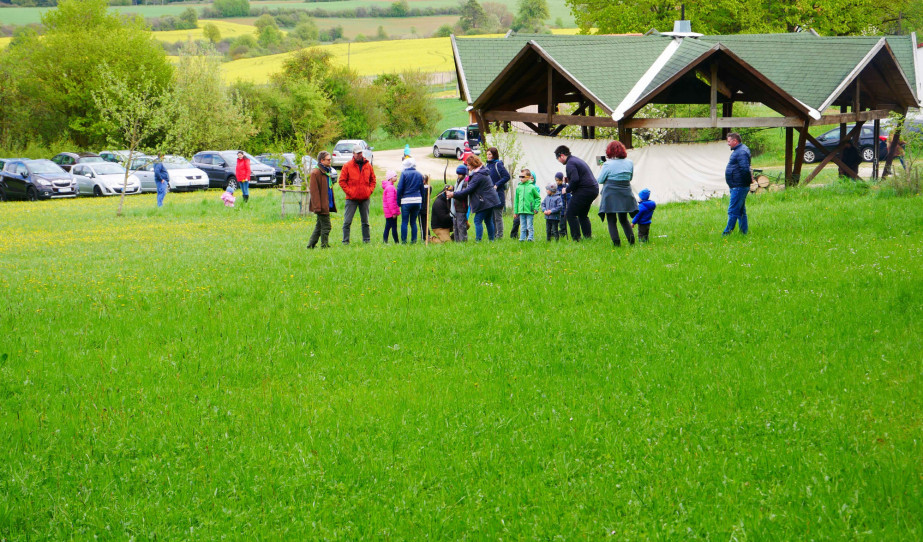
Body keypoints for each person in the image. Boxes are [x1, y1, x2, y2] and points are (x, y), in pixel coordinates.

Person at [447, 155, 501, 241]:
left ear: (473, 164)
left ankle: (478, 240)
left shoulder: (478, 175)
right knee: (488, 220)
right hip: (491, 200)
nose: (467, 167)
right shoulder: (482, 171)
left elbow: (468, 189)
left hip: (485, 201)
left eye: (468, 165)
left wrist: (453, 194)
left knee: (477, 220)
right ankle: (492, 240)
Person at [597, 141, 637, 247]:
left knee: (611, 220)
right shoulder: (629, 162)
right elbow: (630, 178)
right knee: (623, 219)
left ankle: (616, 244)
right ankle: (632, 241)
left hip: (611, 193)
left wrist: (601, 169)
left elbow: (600, 180)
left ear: (609, 151)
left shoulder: (607, 164)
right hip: (625, 192)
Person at [555, 145, 599, 241]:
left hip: (585, 190)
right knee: (582, 214)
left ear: (562, 155)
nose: (558, 160)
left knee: (570, 214)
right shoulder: (576, 160)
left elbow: (575, 179)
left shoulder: (570, 164)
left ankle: (576, 239)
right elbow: (579, 176)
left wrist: (566, 189)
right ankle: (587, 237)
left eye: (558, 158)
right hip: (593, 189)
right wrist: (568, 179)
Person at [338, 145, 377, 245]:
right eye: (357, 153)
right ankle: (345, 241)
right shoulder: (347, 166)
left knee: (365, 222)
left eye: (360, 153)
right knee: (347, 221)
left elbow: (373, 180)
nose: (359, 155)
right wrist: (351, 192)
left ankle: (366, 240)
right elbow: (342, 181)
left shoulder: (368, 165)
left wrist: (369, 191)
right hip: (351, 199)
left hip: (365, 198)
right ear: (353, 154)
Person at [723, 132, 751, 235]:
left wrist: (745, 184)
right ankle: (744, 232)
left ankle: (727, 233)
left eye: (729, 141)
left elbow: (745, 169)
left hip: (739, 186)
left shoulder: (741, 152)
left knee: (732, 210)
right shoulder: (739, 151)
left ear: (735, 141)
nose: (728, 143)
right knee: (740, 211)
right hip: (737, 185)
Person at [307, 151, 336, 249]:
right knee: (327, 226)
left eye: (330, 159)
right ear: (322, 160)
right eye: (328, 159)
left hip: (327, 203)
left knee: (319, 227)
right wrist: (317, 207)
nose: (330, 161)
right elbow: (314, 192)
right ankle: (324, 245)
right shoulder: (316, 172)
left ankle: (310, 245)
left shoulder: (326, 171)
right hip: (321, 205)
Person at [396, 157, 424, 243]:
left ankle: (404, 241)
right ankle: (414, 241)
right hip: (417, 200)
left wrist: (398, 200)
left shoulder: (404, 174)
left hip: (406, 200)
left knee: (404, 221)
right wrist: (422, 201)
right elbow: (422, 189)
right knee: (413, 222)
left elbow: (400, 188)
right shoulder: (419, 174)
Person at [485, 147, 510, 239]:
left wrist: (497, 184)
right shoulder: (487, 165)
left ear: (494, 155)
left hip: (498, 194)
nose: (488, 156)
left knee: (497, 217)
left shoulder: (498, 164)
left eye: (490, 154)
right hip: (489, 195)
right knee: (491, 218)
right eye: (487, 154)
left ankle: (499, 236)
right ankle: (493, 235)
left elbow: (507, 176)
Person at [513, 168, 541, 242]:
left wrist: (536, 208)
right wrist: (516, 211)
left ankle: (530, 238)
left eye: (523, 176)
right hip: (521, 210)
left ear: (528, 177)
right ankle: (522, 238)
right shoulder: (519, 187)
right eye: (520, 176)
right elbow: (516, 200)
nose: (521, 178)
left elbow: (538, 198)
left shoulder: (532, 187)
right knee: (522, 225)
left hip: (529, 210)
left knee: (529, 225)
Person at [452, 165, 469, 242]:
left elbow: (463, 194)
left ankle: (463, 241)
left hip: (462, 206)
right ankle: (457, 241)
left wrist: (453, 194)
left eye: (459, 174)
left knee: (461, 226)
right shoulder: (458, 181)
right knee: (455, 226)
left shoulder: (466, 182)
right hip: (456, 206)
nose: (458, 176)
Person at [381, 170, 400, 244]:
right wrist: (394, 212)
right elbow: (391, 202)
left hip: (388, 212)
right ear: (390, 178)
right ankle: (397, 242)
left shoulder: (389, 186)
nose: (396, 177)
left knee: (388, 227)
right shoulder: (390, 188)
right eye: (395, 176)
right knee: (394, 227)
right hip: (391, 212)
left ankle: (385, 241)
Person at [555, 172, 569, 239]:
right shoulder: (555, 188)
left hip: (563, 210)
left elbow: (569, 198)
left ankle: (563, 233)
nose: (558, 182)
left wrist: (568, 206)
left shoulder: (565, 187)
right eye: (556, 180)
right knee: (555, 222)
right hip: (557, 209)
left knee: (562, 224)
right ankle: (554, 233)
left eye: (559, 180)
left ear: (562, 180)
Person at [418, 174, 431, 238]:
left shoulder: (422, 188)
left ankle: (424, 238)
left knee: (422, 225)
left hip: (421, 209)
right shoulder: (429, 187)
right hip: (426, 208)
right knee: (426, 224)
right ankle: (428, 236)